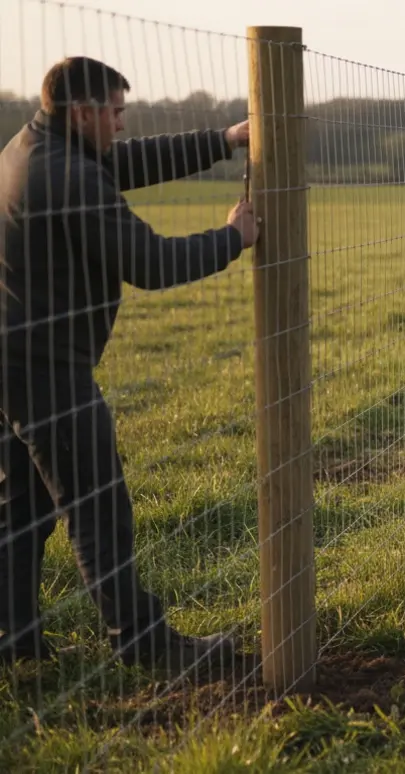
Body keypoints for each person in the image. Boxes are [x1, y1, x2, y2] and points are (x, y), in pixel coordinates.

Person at [0, 56, 259, 669]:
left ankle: (14, 644)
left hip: (15, 359)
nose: (121, 124)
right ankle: (144, 644)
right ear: (82, 112)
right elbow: (150, 263)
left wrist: (224, 140)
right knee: (99, 509)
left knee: (22, 512)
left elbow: (129, 161)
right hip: (46, 367)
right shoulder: (67, 175)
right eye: (115, 113)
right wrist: (233, 238)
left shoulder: (33, 146)